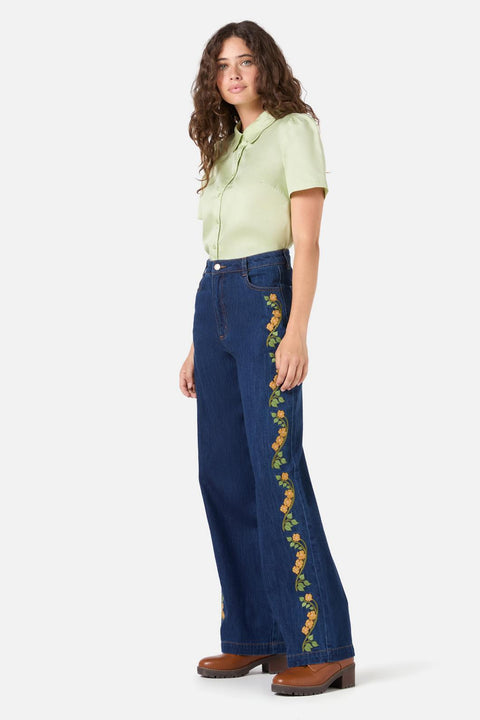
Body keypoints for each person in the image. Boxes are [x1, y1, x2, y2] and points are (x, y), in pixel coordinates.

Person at [179, 20, 355, 697]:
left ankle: (322, 642)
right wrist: (197, 343)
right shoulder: (224, 144)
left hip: (266, 298)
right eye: (222, 64)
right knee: (221, 472)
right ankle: (254, 634)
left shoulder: (293, 131)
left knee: (274, 467)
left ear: (265, 68)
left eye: (245, 61)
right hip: (215, 299)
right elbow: (218, 249)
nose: (234, 73)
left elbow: (306, 244)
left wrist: (297, 331)